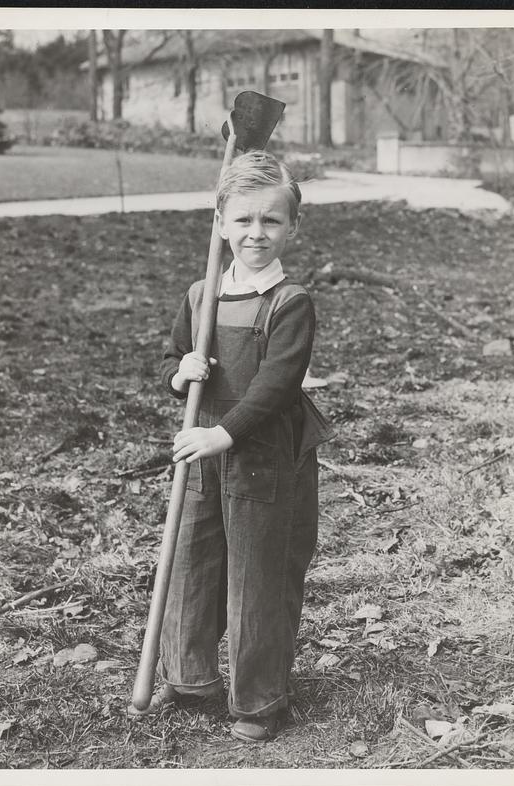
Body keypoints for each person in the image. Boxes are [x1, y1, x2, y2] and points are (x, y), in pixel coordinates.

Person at [134, 150, 333, 742]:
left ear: (292, 227)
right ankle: (190, 677)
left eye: (271, 221)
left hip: (261, 456)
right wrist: (181, 372)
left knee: (258, 576)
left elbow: (277, 385)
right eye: (243, 219)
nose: (256, 233)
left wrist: (224, 434)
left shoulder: (289, 302)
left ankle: (258, 698)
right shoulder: (202, 295)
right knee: (193, 561)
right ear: (220, 222)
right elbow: (172, 357)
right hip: (202, 450)